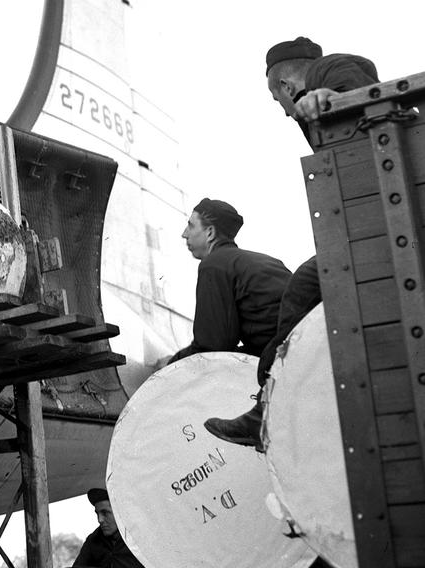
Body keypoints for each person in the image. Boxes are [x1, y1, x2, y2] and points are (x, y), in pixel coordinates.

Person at [204, 37, 380, 448]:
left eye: (276, 99)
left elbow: (356, 78)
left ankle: (270, 407)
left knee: (305, 285)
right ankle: (271, 404)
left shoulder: (327, 72)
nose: (283, 111)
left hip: (376, 227)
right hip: (367, 224)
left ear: (284, 85)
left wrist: (326, 95)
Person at [168, 198, 291, 364]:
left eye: (191, 225)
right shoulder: (266, 261)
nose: (184, 233)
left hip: (281, 358)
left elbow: (211, 347)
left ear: (210, 233)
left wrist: (170, 364)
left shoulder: (214, 264)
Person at [72, 488, 143, 568]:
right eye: (97, 513)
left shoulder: (140, 539)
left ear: (120, 512)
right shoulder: (93, 540)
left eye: (105, 513)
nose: (100, 520)